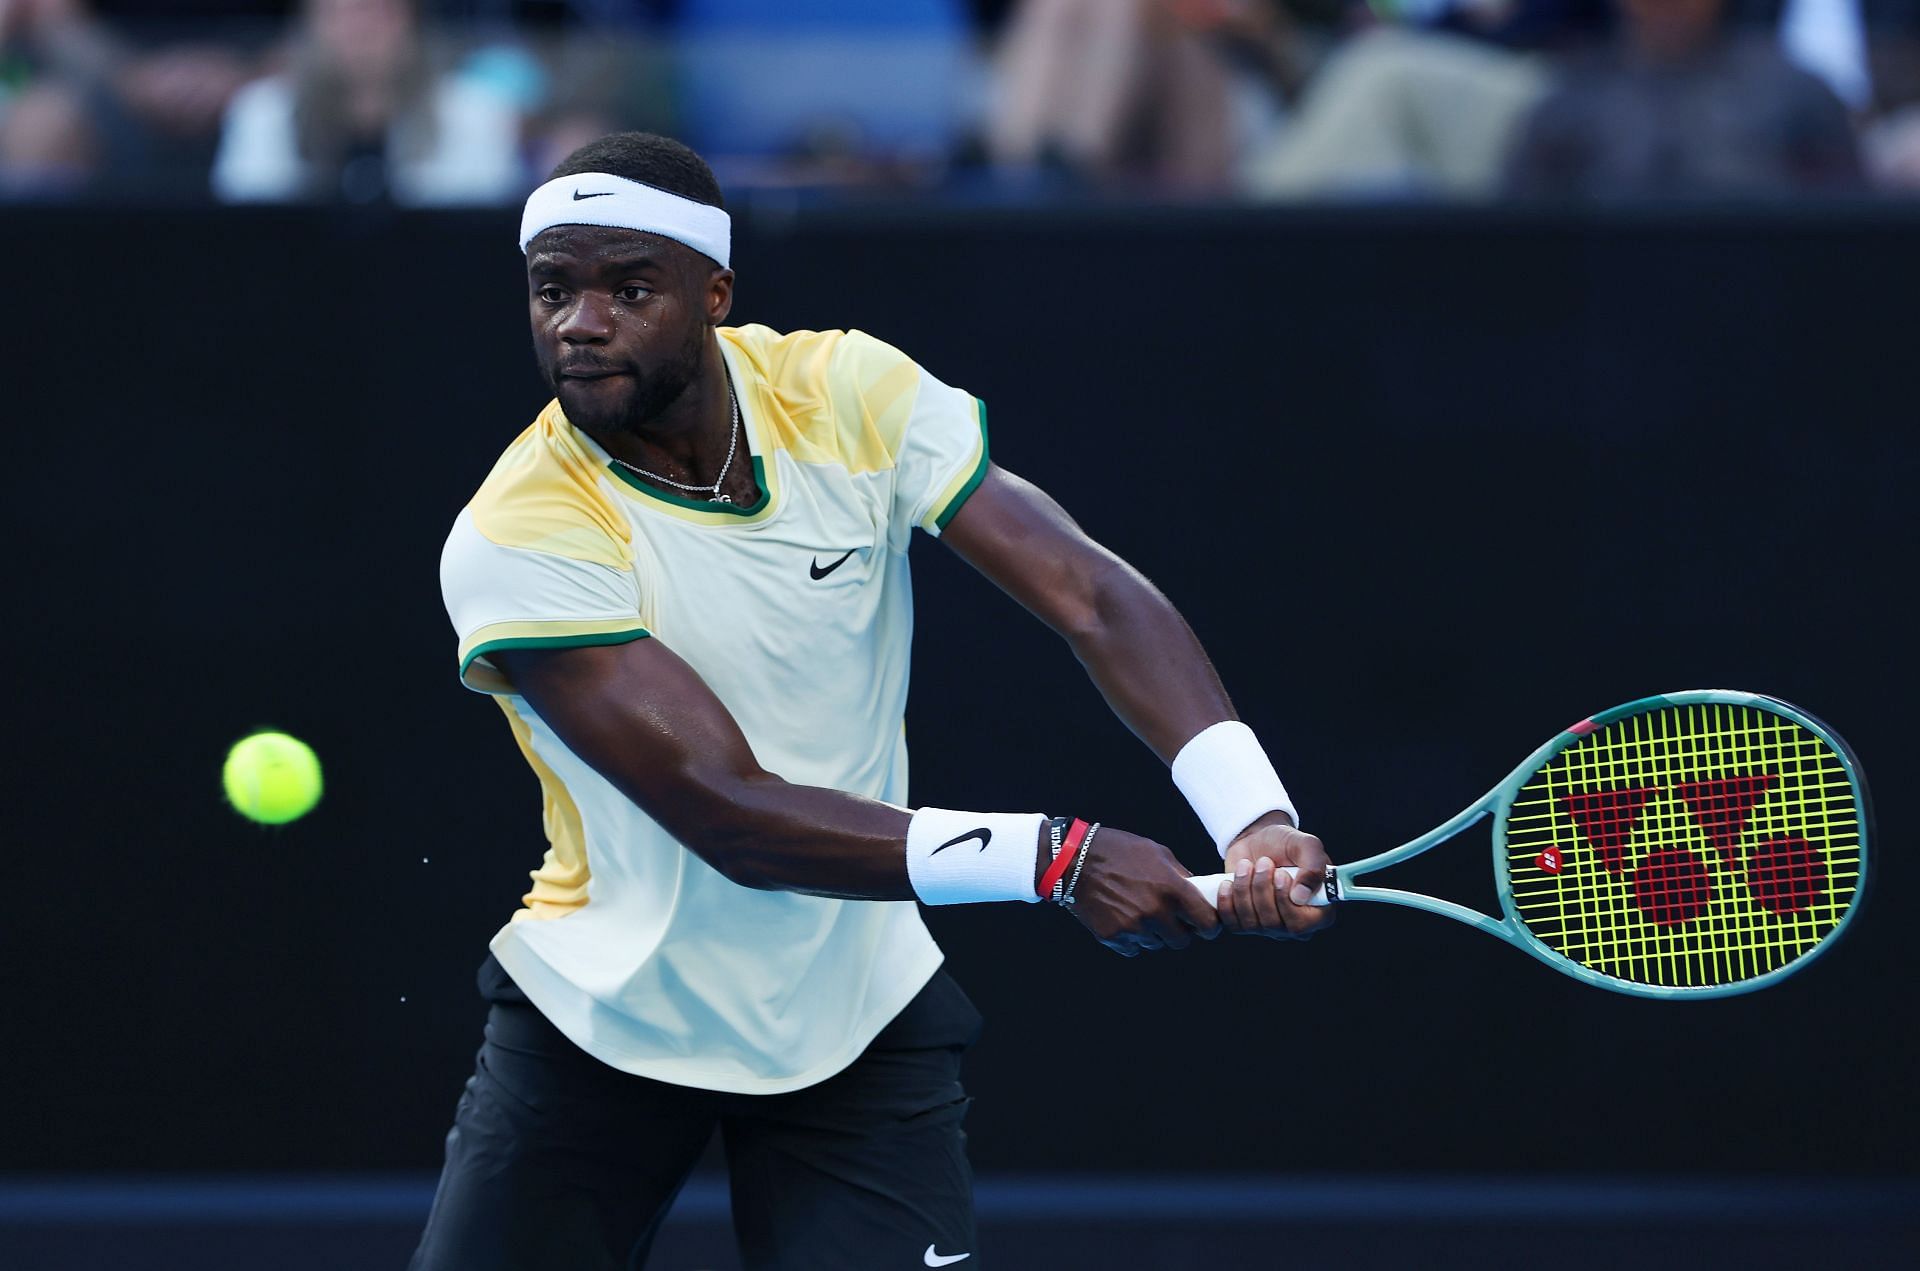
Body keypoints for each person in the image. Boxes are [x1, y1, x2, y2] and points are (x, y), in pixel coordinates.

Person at [414, 130, 1334, 1271]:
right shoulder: (519, 529)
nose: (579, 322)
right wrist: (1054, 856)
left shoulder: (845, 390)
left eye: (628, 287)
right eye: (554, 289)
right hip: (605, 1018)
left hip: (858, 1016)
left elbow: (1090, 593)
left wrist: (1251, 812)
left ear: (715, 293)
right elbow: (729, 810)